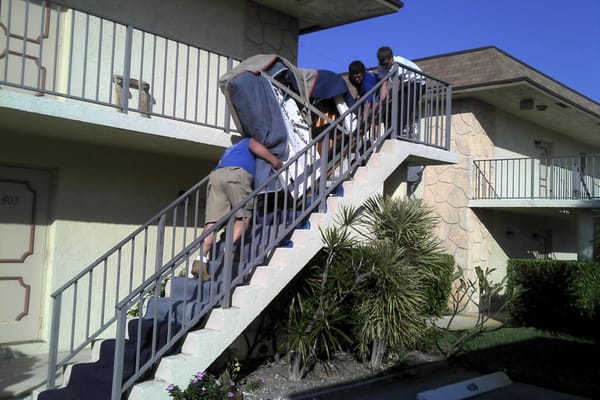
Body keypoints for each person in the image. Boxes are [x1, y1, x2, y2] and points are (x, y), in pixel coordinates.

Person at [192, 137, 283, 279]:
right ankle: (230, 247)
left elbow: (220, 163)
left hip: (216, 176)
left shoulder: (231, 149)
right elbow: (254, 146)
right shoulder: (248, 141)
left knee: (212, 222)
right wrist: (275, 161)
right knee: (244, 217)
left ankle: (200, 260)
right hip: (236, 174)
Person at [376, 46, 426, 135]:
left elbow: (397, 85)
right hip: (404, 85)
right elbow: (383, 85)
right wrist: (382, 103)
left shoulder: (399, 62)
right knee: (388, 108)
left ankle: (397, 133)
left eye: (386, 64)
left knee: (403, 107)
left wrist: (388, 98)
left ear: (392, 58)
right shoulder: (381, 66)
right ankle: (389, 134)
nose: (385, 66)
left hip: (416, 82)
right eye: (383, 64)